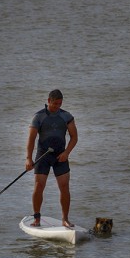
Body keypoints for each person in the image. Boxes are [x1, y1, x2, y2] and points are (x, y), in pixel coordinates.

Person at [26, 89, 78, 227]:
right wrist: (28, 159)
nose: (57, 106)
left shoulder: (66, 116)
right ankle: (37, 218)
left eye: (60, 104)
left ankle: (65, 219)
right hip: (43, 155)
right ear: (49, 101)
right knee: (39, 185)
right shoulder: (38, 117)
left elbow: (74, 137)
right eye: (55, 103)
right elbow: (31, 139)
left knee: (64, 186)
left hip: (60, 155)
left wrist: (66, 153)